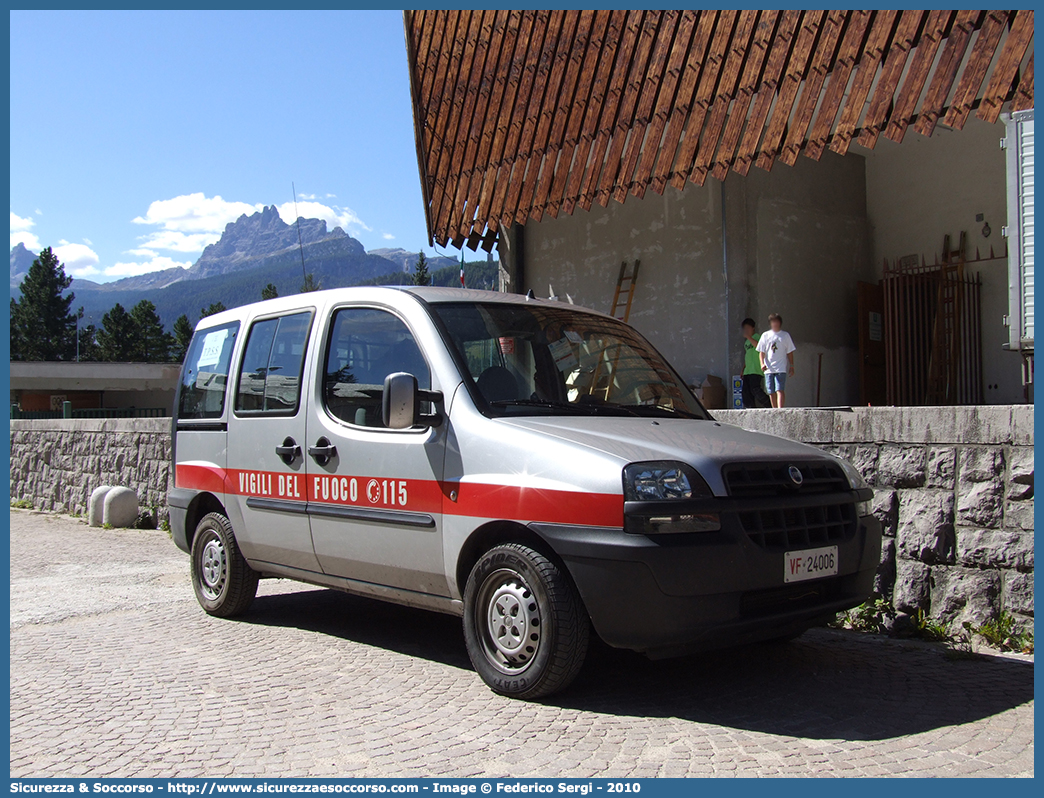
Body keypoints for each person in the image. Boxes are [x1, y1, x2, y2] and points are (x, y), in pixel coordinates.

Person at [756, 313, 796, 408]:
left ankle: (780, 409)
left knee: (780, 389)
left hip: (780, 368)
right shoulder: (765, 335)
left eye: (776, 322)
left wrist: (792, 365)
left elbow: (790, 352)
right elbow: (761, 352)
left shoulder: (785, 335)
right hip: (769, 368)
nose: (775, 324)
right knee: (770, 391)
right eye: (773, 322)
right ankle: (774, 409)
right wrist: (762, 364)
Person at [740, 318, 770, 408]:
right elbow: (747, 356)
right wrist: (743, 369)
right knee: (746, 392)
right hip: (747, 370)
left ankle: (769, 404)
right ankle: (750, 408)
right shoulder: (746, 343)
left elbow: (759, 347)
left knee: (755, 389)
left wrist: (749, 337)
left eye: (748, 328)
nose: (746, 330)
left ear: (753, 328)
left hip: (756, 369)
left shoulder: (759, 337)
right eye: (744, 328)